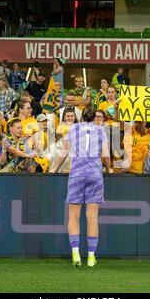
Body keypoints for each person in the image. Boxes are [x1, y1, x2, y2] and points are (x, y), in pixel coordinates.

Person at [49, 108, 111, 267]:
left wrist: (55, 169)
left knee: (73, 216)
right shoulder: (100, 130)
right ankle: (91, 257)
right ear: (95, 118)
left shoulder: (73, 128)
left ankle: (75, 253)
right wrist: (109, 168)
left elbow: (64, 151)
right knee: (92, 217)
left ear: (81, 116)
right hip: (95, 175)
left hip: (76, 175)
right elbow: (105, 154)